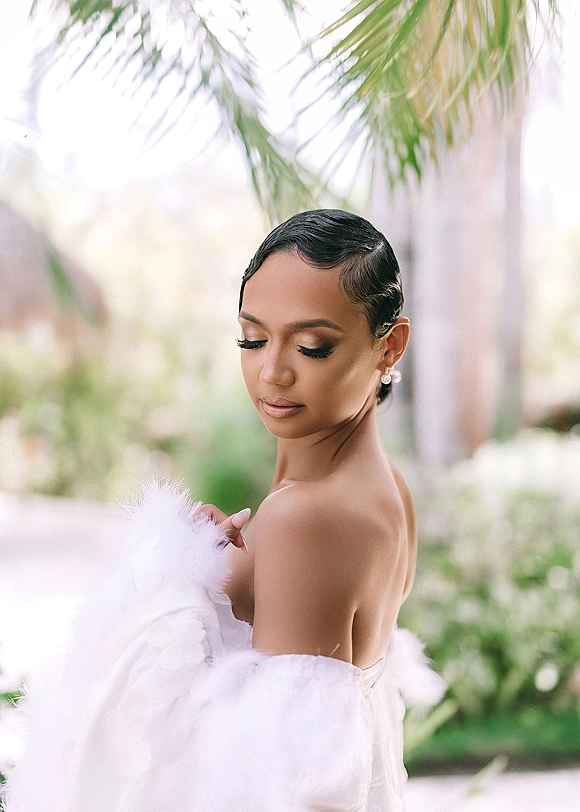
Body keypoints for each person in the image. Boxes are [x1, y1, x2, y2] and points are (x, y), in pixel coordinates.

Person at [2, 209, 444, 812]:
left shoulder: (308, 516)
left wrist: (181, 596)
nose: (272, 370)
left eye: (313, 345)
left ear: (389, 345)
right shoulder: (380, 490)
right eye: (253, 338)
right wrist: (201, 573)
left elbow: (284, 788)